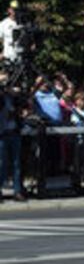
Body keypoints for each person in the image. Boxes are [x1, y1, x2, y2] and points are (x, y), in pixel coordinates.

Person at [0, 72, 26, 202]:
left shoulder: (13, 98)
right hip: (2, 133)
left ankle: (17, 191)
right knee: (2, 164)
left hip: (14, 132)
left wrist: (15, 92)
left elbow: (23, 102)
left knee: (17, 164)